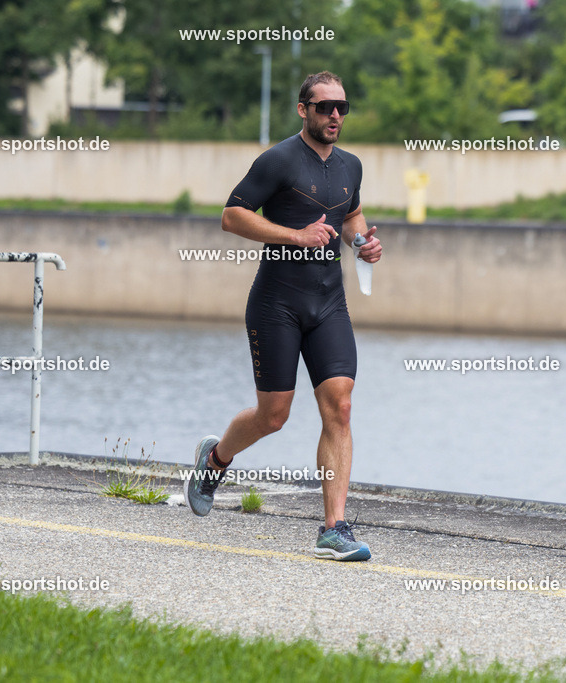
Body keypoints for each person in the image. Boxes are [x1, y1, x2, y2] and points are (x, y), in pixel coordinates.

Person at [184, 71, 381, 562]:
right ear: (303, 110)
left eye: (342, 107)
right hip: (277, 303)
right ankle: (215, 458)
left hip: (329, 302)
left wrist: (361, 243)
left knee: (341, 405)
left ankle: (333, 528)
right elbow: (232, 215)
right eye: (324, 107)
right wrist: (294, 236)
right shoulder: (277, 160)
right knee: (274, 416)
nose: (335, 115)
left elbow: (351, 215)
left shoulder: (351, 166)